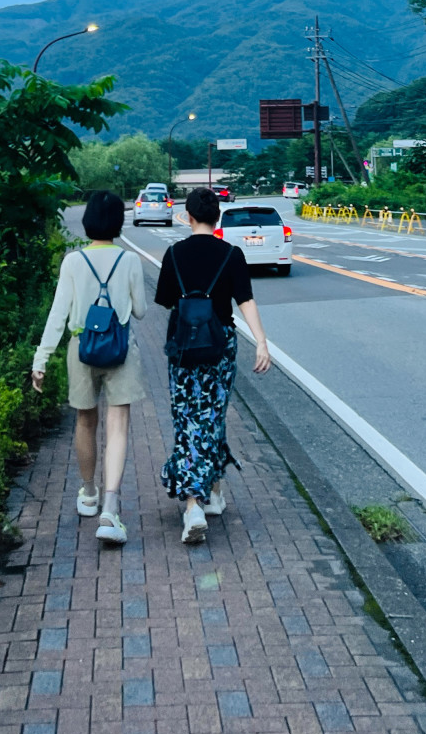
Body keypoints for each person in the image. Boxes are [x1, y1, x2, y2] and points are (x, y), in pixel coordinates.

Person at [155, 186, 271, 544]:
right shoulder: (231, 254)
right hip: (221, 347)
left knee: (188, 419)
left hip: (185, 349)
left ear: (188, 217)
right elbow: (245, 300)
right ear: (217, 217)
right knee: (213, 416)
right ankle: (207, 497)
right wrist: (262, 342)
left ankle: (196, 503)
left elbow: (165, 302)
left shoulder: (174, 254)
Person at [32, 190, 146, 545]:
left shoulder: (72, 261)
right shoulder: (129, 260)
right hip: (119, 349)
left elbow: (58, 314)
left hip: (80, 348)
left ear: (87, 223)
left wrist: (41, 359)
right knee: (118, 425)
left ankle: (88, 493)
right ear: (118, 223)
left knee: (85, 420)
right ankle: (111, 510)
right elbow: (140, 311)